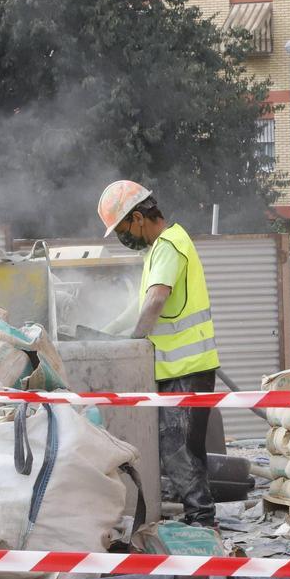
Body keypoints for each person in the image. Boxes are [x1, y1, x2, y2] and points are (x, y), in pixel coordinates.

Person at [97, 180, 219, 527]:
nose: (124, 238)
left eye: (122, 230)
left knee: (179, 452)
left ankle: (203, 524)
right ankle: (197, 520)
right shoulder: (159, 249)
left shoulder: (168, 245)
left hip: (186, 368)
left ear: (138, 217)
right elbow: (137, 307)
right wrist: (105, 335)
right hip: (179, 369)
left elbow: (155, 301)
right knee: (179, 452)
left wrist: (135, 341)